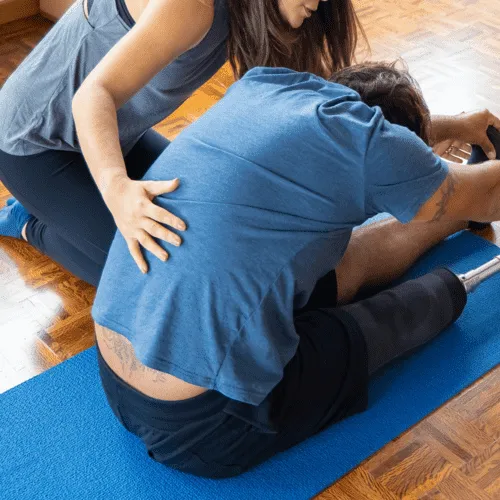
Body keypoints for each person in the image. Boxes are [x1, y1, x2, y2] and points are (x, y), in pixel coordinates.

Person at [91, 61, 500, 478]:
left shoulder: (268, 88)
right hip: (203, 430)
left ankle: (454, 220)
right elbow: (491, 194)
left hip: (114, 377)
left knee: (341, 260)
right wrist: (470, 184)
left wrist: (457, 129)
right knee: (376, 324)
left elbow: (377, 145)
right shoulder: (372, 150)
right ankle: (453, 283)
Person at [0, 0, 356, 286]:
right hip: (35, 144)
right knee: (161, 278)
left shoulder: (252, 13)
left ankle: (64, 206)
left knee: (207, 221)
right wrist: (118, 190)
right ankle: (32, 223)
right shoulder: (191, 7)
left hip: (114, 135)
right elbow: (92, 95)